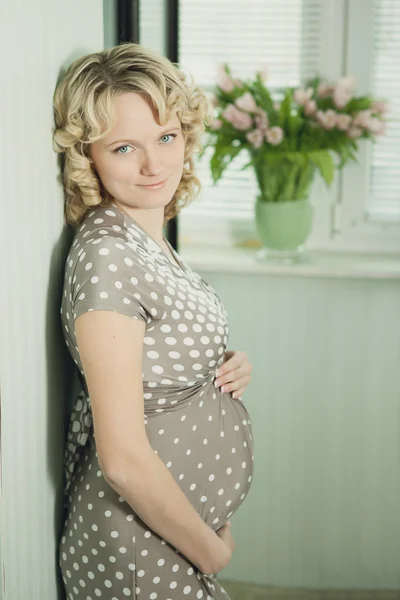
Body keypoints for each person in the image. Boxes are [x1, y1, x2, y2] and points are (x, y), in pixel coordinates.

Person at [53, 42, 254, 600]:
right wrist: (209, 551)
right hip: (142, 551)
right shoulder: (107, 257)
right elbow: (121, 460)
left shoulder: (140, 234)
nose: (155, 164)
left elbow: (154, 351)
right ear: (86, 156)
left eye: (166, 137)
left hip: (169, 536)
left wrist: (223, 364)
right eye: (124, 147)